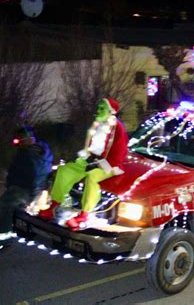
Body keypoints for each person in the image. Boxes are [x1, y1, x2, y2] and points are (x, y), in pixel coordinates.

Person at [38, 98, 128, 230]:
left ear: (111, 111)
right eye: (98, 108)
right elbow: (90, 146)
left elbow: (118, 154)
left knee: (92, 178)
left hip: (110, 165)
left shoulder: (118, 129)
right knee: (65, 170)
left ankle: (84, 215)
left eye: (102, 108)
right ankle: (54, 206)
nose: (98, 111)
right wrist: (85, 158)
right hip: (90, 159)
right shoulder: (97, 124)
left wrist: (99, 164)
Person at [0, 126, 53, 256]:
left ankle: (3, 241)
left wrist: (30, 198)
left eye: (21, 140)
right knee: (5, 205)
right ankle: (10, 230)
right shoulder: (35, 150)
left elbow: (36, 177)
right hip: (21, 188)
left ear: (28, 139)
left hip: (25, 190)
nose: (19, 143)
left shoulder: (31, 155)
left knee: (1, 205)